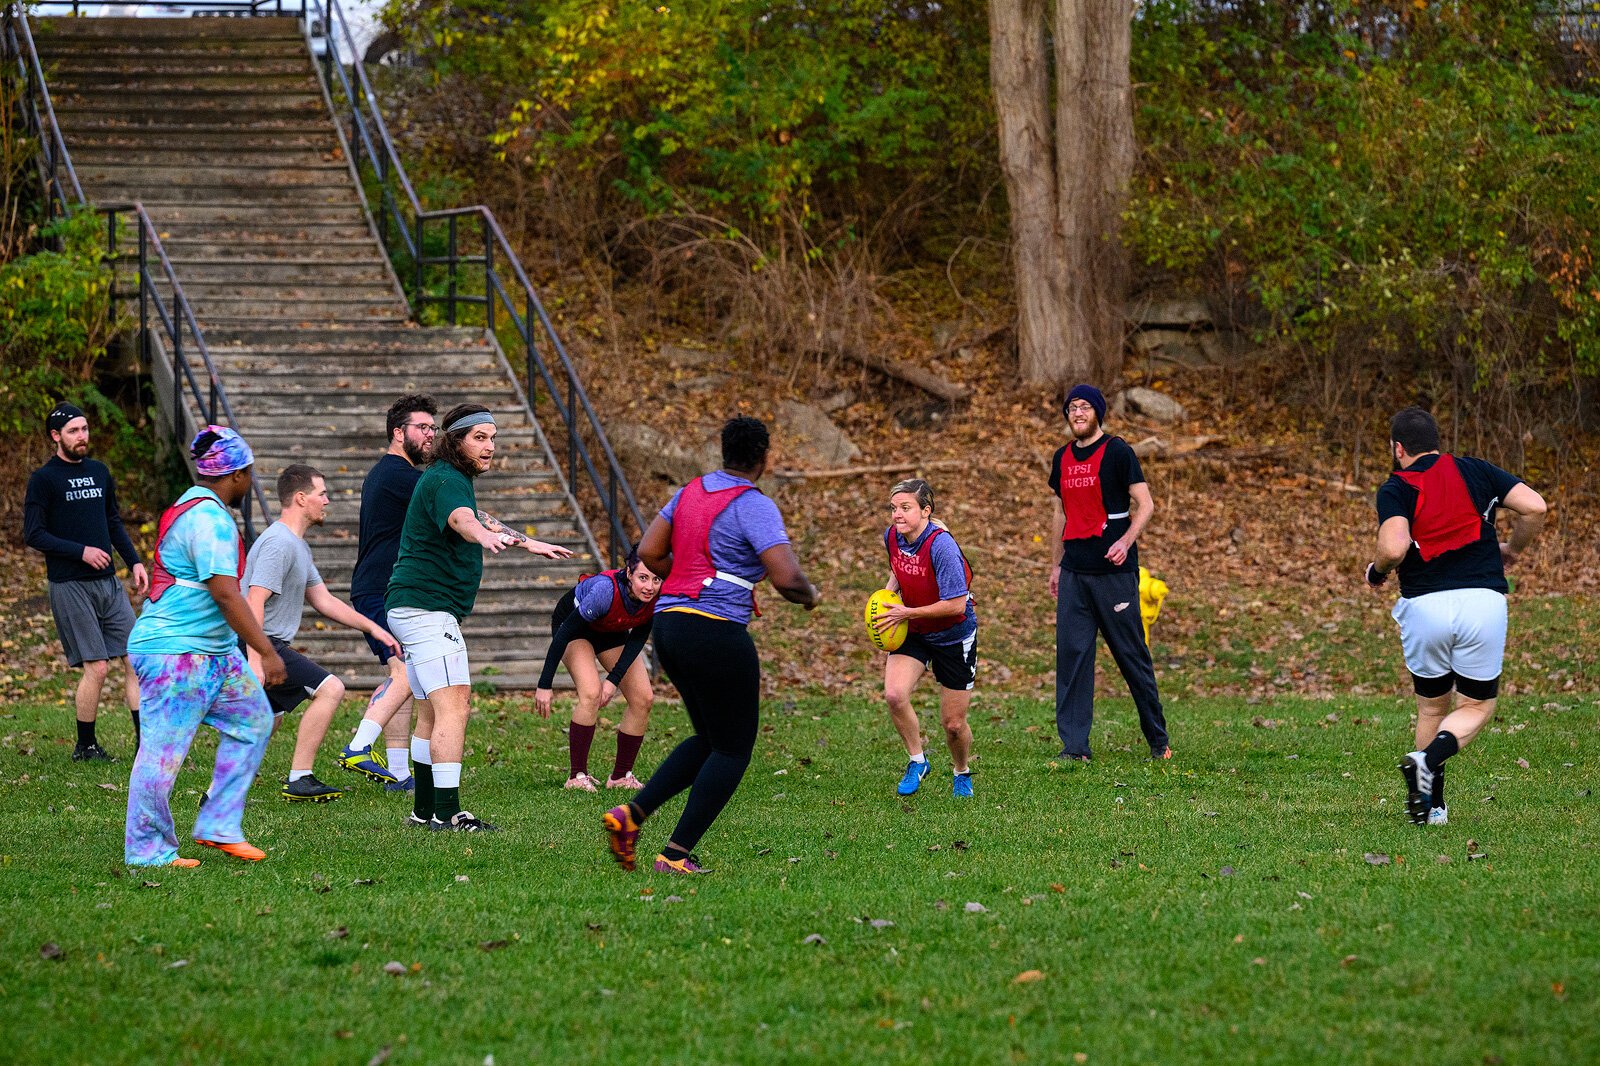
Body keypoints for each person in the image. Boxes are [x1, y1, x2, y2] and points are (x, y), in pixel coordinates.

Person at [603, 416, 820, 875]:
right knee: (734, 748)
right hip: (715, 630)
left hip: (669, 625)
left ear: (723, 452)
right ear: (764, 458)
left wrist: (683, 573)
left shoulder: (691, 491)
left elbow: (648, 552)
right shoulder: (752, 504)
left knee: (712, 737)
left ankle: (629, 816)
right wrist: (810, 597)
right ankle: (675, 855)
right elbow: (787, 578)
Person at [386, 402, 573, 831]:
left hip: (411, 607)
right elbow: (464, 519)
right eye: (480, 438)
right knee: (456, 706)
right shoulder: (448, 481)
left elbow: (478, 516)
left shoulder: (446, 479)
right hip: (427, 611)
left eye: (493, 438)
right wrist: (482, 536)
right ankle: (449, 813)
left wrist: (527, 543)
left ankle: (423, 811)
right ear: (456, 441)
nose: (490, 447)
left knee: (432, 711)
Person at [1365, 406, 1547, 826]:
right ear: (1437, 442)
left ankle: (1431, 808)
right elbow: (1534, 507)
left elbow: (1393, 548)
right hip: (1482, 602)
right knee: (1478, 705)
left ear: (1398, 448)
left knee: (1431, 708)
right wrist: (1515, 549)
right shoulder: (1476, 471)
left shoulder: (1395, 487)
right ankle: (1427, 761)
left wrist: (1376, 572)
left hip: (1423, 607)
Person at [124, 426, 288, 867]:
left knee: (254, 720)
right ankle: (147, 849)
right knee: (161, 753)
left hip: (212, 652)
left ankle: (218, 825)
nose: (250, 482)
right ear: (235, 474)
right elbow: (225, 593)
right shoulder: (209, 519)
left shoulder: (195, 507)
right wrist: (266, 651)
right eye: (249, 473)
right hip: (176, 653)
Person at [242, 464, 402, 802]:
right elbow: (253, 600)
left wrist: (374, 627)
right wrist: (257, 657)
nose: (327, 501)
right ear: (301, 499)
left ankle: (222, 789)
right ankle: (300, 778)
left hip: (269, 643)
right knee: (331, 689)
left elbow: (324, 600)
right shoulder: (278, 544)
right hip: (261, 641)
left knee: (269, 717)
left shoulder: (296, 545)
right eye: (321, 494)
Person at [1047, 384, 1171, 762]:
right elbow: (1058, 513)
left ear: (1098, 413)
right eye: (1072, 408)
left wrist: (1127, 541)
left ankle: (1157, 741)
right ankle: (1075, 747)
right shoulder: (1061, 458)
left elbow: (1146, 504)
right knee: (1072, 657)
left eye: (1085, 407)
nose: (1078, 413)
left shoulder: (1117, 452)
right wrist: (1054, 564)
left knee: (1131, 655)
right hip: (1074, 574)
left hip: (1114, 574)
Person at [23, 402, 148, 761]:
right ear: (55, 436)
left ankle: (145, 744)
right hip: (70, 583)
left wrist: (135, 562)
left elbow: (112, 521)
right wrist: (81, 552)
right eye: (74, 431)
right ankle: (86, 745)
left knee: (135, 658)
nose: (82, 437)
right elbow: (34, 534)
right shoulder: (43, 480)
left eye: (85, 429)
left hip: (108, 582)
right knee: (97, 666)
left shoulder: (99, 472)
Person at [339, 394, 439, 791]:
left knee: (404, 677)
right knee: (405, 672)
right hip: (380, 591)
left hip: (380, 589)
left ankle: (398, 773)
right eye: (423, 428)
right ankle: (358, 746)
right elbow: (451, 502)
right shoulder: (400, 475)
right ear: (399, 433)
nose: (431, 434)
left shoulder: (390, 473)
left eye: (434, 428)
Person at [870, 479, 979, 798]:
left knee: (954, 725)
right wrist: (888, 596)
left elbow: (956, 604)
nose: (897, 515)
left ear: (926, 511)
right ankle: (918, 761)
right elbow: (898, 568)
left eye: (905, 508)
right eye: (893, 508)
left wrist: (905, 613)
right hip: (914, 631)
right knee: (893, 694)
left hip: (953, 635)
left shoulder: (942, 546)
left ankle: (961, 771)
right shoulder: (892, 536)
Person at [533, 548, 661, 791]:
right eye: (643, 578)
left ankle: (621, 776)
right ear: (629, 573)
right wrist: (544, 684)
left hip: (611, 630)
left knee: (643, 698)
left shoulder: (656, 597)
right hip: (573, 629)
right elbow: (563, 634)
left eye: (656, 579)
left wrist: (613, 680)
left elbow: (637, 640)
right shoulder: (604, 591)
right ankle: (576, 776)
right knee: (591, 692)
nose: (650, 586)